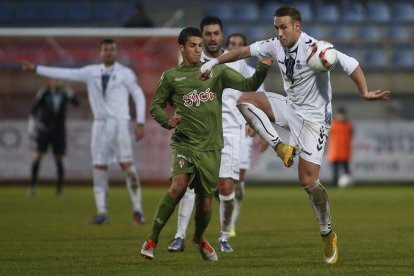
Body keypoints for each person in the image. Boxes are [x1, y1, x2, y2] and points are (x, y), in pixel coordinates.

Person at [199, 6, 390, 264]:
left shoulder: (317, 49)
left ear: (297, 27)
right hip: (290, 107)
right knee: (245, 101)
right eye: (276, 27)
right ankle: (280, 147)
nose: (279, 33)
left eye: (283, 27)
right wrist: (213, 61)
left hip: (314, 121)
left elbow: (351, 64)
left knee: (308, 182)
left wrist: (364, 93)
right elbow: (243, 51)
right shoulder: (276, 45)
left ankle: (327, 233)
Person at [140, 27, 270, 261]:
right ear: (181, 48)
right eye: (192, 45)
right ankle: (152, 239)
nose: (198, 50)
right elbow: (155, 107)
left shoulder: (217, 72)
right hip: (185, 143)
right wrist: (168, 121)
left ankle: (198, 239)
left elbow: (249, 84)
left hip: (211, 147)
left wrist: (264, 66)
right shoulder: (171, 77)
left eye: (200, 46)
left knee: (205, 205)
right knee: (178, 186)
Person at [22, 38, 147, 226]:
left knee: (128, 167)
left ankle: (137, 210)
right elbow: (65, 73)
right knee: (98, 168)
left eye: (112, 49)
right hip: (100, 125)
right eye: (106, 49)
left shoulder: (125, 73)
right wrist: (37, 69)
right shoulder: (91, 72)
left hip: (119, 124)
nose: (109, 52)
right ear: (101, 53)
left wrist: (140, 122)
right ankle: (102, 212)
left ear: (116, 52)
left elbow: (138, 95)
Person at [28, 78, 79, 197]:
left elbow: (76, 103)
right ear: (49, 81)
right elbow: (34, 109)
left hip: (58, 132)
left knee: (59, 159)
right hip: (44, 130)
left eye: (57, 80)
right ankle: (32, 186)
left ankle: (59, 189)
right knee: (37, 156)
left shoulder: (64, 94)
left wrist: (69, 91)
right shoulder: (44, 93)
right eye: (52, 80)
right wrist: (33, 124)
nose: (54, 82)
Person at [327, 107, 353, 187]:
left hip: (345, 152)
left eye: (343, 115)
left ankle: (349, 184)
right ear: (337, 115)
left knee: (346, 171)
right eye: (340, 115)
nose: (341, 116)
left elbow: (351, 135)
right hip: (334, 151)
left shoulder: (348, 125)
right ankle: (334, 185)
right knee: (335, 172)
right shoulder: (332, 124)